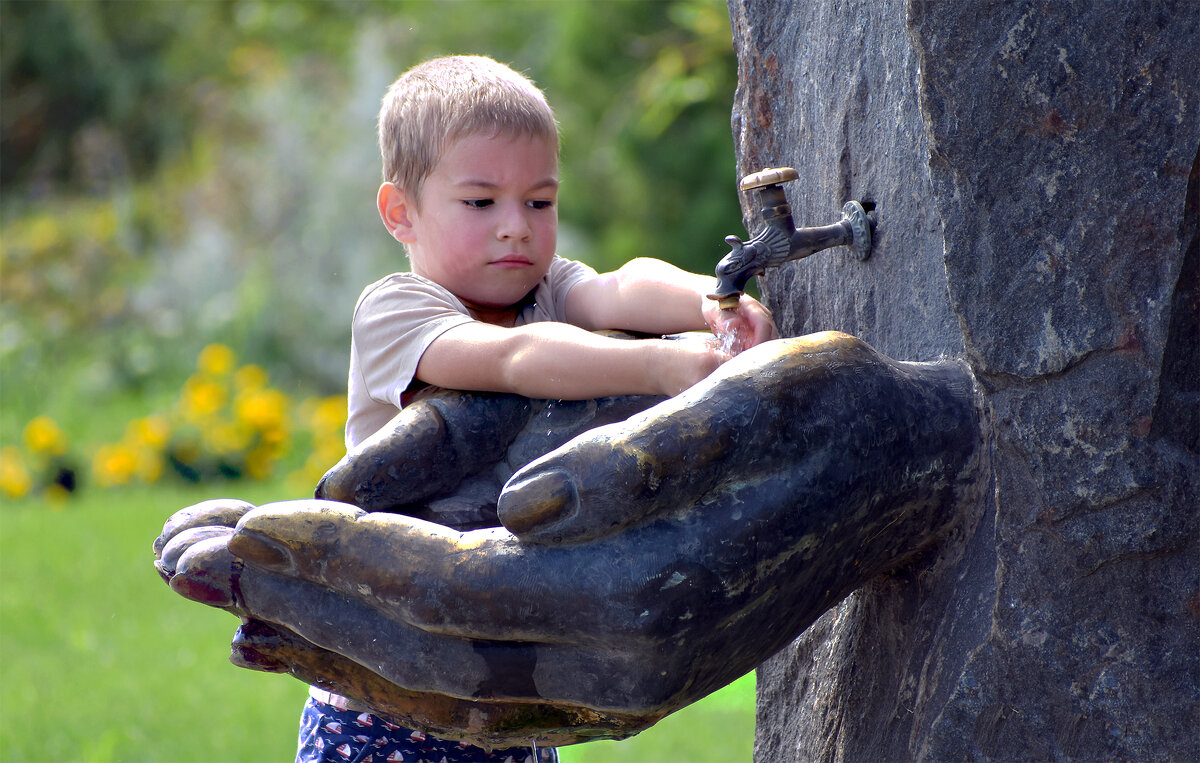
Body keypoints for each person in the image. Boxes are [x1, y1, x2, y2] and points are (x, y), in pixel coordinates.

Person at [299, 54, 777, 763]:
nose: (516, 227)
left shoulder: (546, 287)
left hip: (506, 683)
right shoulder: (399, 310)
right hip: (386, 696)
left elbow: (620, 287)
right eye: (481, 202)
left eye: (539, 201)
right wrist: (663, 363)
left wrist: (715, 303)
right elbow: (513, 362)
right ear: (402, 212)